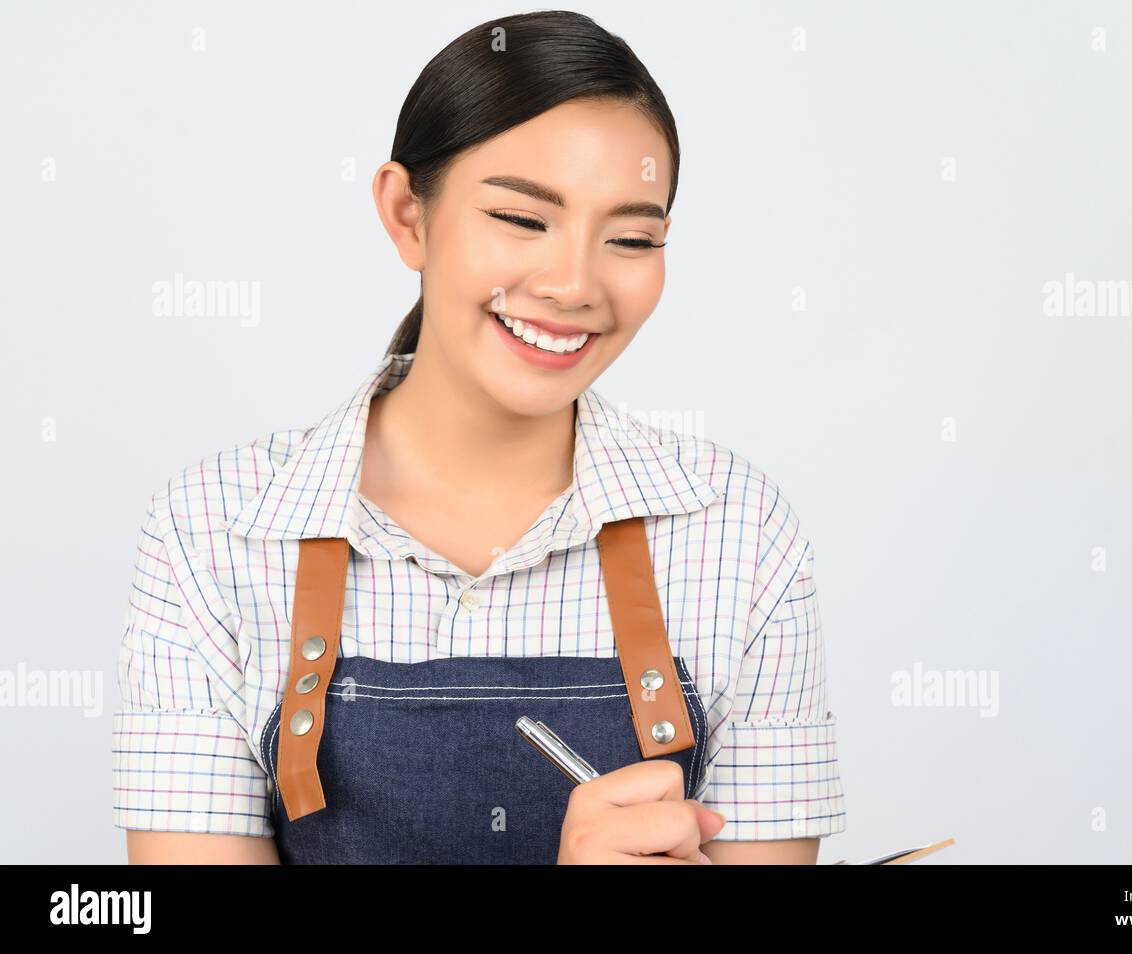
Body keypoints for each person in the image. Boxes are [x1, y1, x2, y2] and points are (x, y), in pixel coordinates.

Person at [113, 9, 847, 865]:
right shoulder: (210, 532)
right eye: (523, 219)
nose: (574, 285)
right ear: (407, 215)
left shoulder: (741, 534)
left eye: (631, 237)